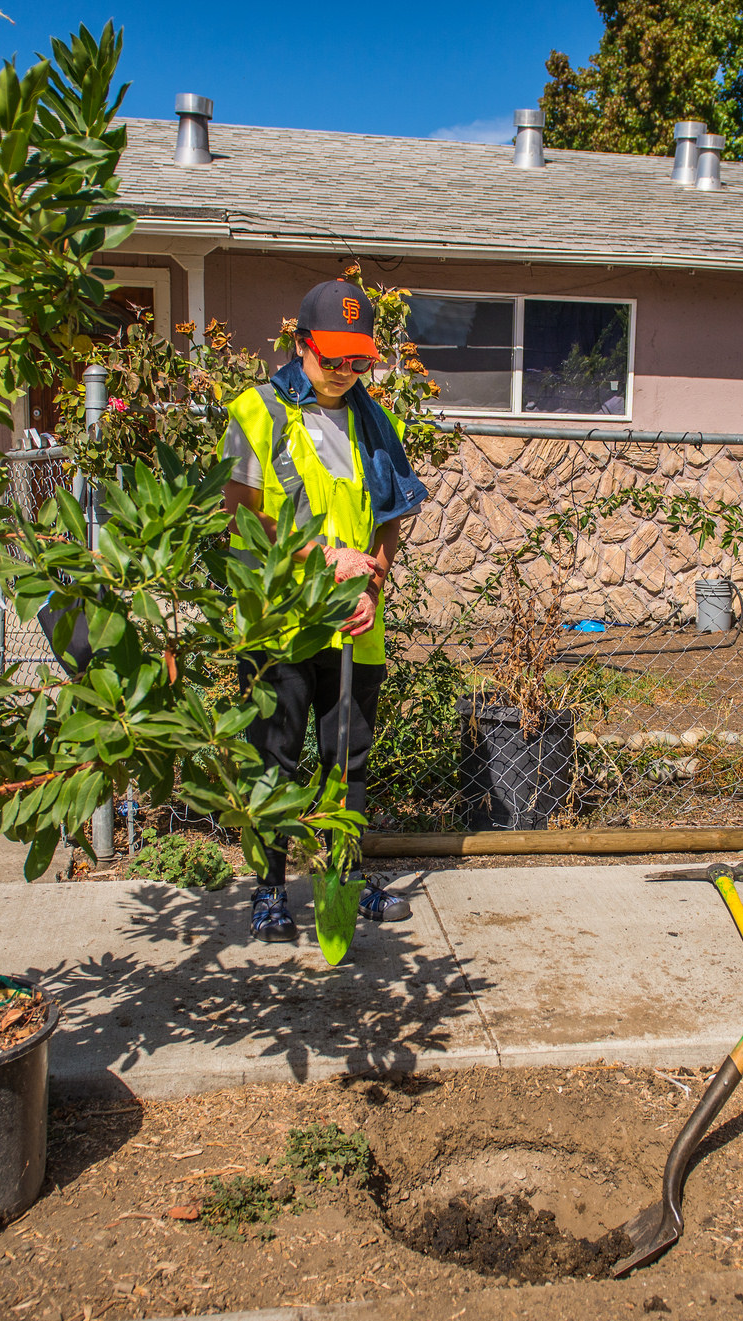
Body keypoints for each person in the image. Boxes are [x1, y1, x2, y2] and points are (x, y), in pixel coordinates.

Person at [222, 278, 428, 942]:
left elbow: (389, 520)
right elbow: (236, 524)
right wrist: (322, 564)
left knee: (349, 757)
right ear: (299, 344)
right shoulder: (255, 414)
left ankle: (344, 874)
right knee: (275, 758)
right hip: (280, 624)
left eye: (357, 361)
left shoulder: (377, 422)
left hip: (356, 626)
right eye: (331, 358)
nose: (343, 373)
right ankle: (270, 889)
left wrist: (371, 587)